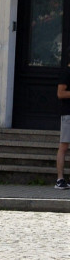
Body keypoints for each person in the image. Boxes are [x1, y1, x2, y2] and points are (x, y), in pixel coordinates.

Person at [56, 62, 70, 190]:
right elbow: (60, 93)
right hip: (68, 114)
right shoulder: (66, 72)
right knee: (64, 146)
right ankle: (60, 179)